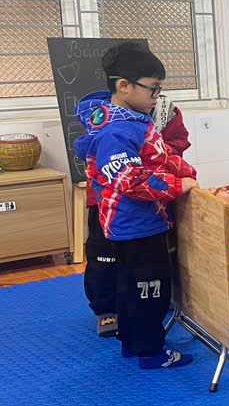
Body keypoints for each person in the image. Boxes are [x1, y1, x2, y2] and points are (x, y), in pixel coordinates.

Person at [74, 43, 199, 369]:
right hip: (136, 226)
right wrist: (177, 186)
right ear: (124, 86)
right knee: (150, 291)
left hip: (141, 222)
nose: (157, 97)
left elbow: (161, 157)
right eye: (152, 89)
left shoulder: (134, 120)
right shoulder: (116, 131)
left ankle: (132, 343)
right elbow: (130, 180)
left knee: (131, 287)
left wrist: (186, 173)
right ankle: (151, 352)